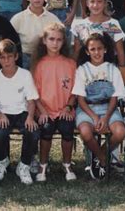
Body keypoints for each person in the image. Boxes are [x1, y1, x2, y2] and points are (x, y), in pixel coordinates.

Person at [72, 33, 125, 180]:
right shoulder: (82, 70)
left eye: (99, 49)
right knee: (85, 132)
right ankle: (102, 158)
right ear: (87, 51)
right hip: (87, 109)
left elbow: (115, 97)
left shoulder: (113, 69)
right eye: (93, 49)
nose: (96, 52)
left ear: (105, 50)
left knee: (120, 132)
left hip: (109, 108)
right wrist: (95, 117)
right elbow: (80, 99)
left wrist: (106, 117)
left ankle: (99, 154)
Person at [30, 22, 77, 182]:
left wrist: (69, 107)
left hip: (64, 109)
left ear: (64, 42)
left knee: (67, 130)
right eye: (51, 39)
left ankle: (67, 164)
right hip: (44, 110)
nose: (55, 43)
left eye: (59, 40)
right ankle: (43, 166)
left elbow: (75, 92)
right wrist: (42, 111)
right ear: (44, 41)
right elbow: (34, 93)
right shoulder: (39, 65)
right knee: (46, 130)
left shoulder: (70, 64)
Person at [0, 39, 39, 185]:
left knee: (33, 131)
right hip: (2, 112)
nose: (7, 61)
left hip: (21, 112)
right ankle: (2, 161)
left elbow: (31, 101)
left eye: (10, 56)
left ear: (16, 56)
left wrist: (30, 117)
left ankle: (24, 165)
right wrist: (0, 115)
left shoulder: (25, 75)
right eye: (3, 58)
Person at [10, 0, 60, 69]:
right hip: (24, 59)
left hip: (47, 59)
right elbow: (9, 43)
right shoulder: (18, 19)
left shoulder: (53, 19)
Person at [73, 0, 125, 66]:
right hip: (86, 72)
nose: (95, 5)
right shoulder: (80, 26)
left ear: (105, 3)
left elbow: (120, 52)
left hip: (109, 71)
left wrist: (122, 71)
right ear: (87, 3)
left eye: (99, 1)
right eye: (92, 1)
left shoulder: (112, 24)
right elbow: (76, 52)